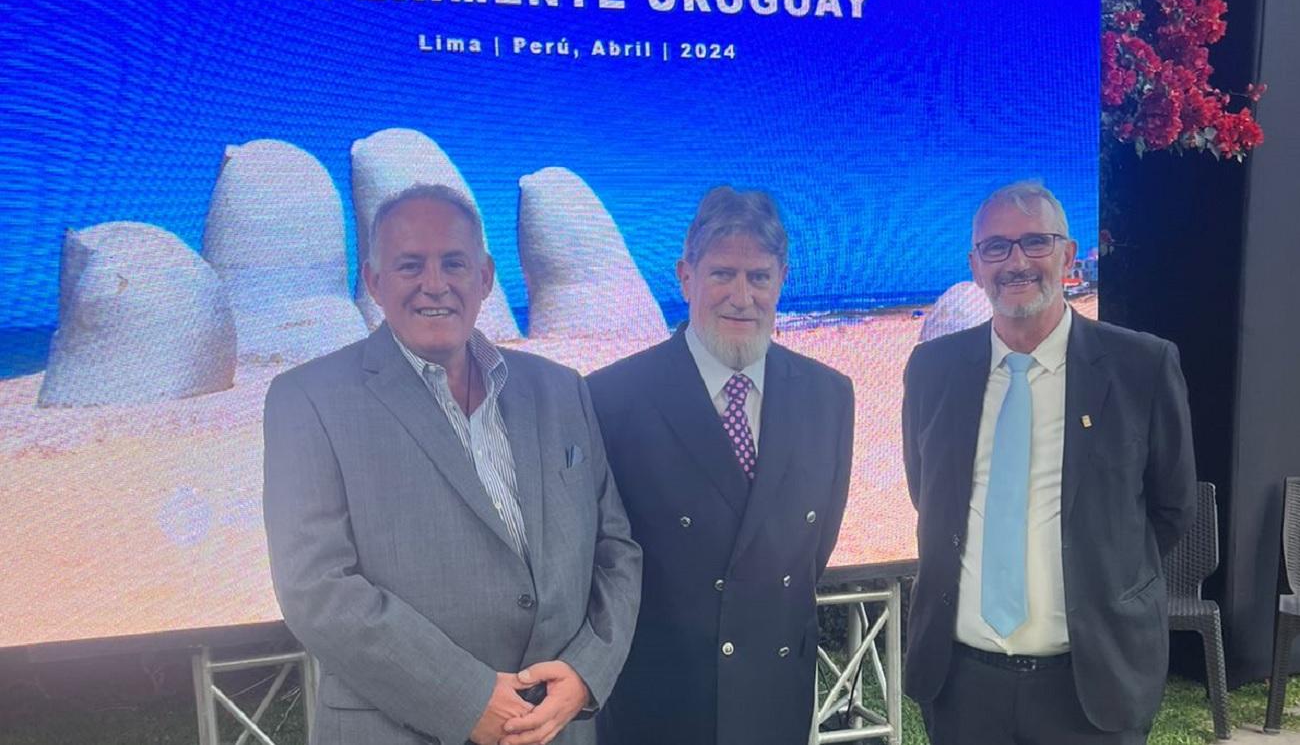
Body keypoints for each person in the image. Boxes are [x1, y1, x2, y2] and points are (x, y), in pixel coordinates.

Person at [263, 183, 641, 745]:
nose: (435, 284)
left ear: (485, 277)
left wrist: (586, 673)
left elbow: (616, 549)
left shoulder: (562, 390)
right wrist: (466, 698)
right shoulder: (307, 399)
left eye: (454, 263)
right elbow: (315, 589)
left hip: (556, 729)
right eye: (410, 265)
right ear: (374, 282)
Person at [903, 180, 1196, 744]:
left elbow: (1171, 507)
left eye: (1035, 242)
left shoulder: (1141, 367)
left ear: (1067, 255)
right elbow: (929, 493)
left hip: (1090, 688)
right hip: (961, 687)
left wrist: (1100, 572)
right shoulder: (932, 370)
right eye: (996, 247)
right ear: (976, 266)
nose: (1016, 262)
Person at [586, 186, 854, 745]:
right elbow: (597, 561)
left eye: (758, 277)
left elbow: (810, 550)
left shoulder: (829, 395)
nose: (741, 296)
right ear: (686, 277)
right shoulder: (610, 399)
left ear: (782, 279)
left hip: (775, 703)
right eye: (722, 274)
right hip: (656, 709)